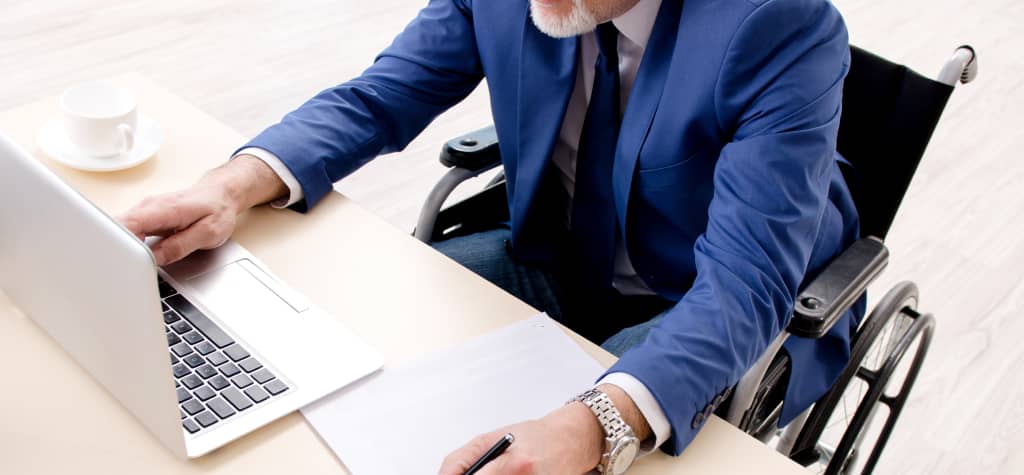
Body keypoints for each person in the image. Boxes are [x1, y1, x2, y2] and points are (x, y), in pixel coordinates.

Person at [120, 0, 863, 473]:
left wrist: (596, 422)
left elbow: (741, 287)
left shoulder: (780, 25)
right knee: (354, 349)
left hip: (703, 296)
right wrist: (230, 184)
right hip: (555, 250)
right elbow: (380, 96)